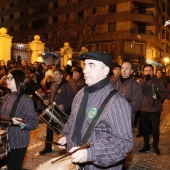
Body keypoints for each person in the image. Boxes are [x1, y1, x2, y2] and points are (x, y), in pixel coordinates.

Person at [58, 51, 133, 170]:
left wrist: (90, 153)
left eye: (91, 65)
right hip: (76, 163)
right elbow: (73, 120)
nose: (85, 70)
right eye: (85, 65)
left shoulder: (116, 102)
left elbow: (123, 143)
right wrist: (67, 136)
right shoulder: (80, 93)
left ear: (105, 71)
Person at [0, 69, 38, 170]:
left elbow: (34, 122)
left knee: (14, 167)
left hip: (18, 141)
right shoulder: (7, 96)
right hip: (5, 139)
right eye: (6, 78)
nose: (6, 80)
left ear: (18, 79)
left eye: (9, 78)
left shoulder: (26, 99)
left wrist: (21, 123)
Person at [39, 69, 75, 155]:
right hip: (53, 109)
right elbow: (51, 96)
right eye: (54, 74)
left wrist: (64, 105)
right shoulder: (53, 85)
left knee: (65, 130)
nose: (54, 76)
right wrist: (48, 100)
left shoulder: (67, 85)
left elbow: (72, 98)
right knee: (49, 129)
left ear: (61, 76)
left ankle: (68, 147)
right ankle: (48, 148)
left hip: (63, 112)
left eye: (56, 74)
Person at [138, 64, 167, 155]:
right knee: (145, 129)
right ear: (144, 72)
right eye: (146, 71)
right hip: (144, 108)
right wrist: (144, 81)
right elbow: (138, 91)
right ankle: (146, 146)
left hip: (155, 109)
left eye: (150, 70)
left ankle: (155, 145)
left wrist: (159, 96)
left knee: (155, 129)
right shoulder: (141, 81)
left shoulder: (159, 81)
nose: (148, 72)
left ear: (153, 71)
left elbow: (164, 94)